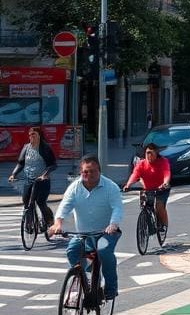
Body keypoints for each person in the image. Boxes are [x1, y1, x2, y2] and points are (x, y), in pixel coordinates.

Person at [48, 155, 123, 300]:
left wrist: (113, 224)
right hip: (83, 234)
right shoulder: (75, 187)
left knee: (103, 251)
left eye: (93, 171)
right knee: (72, 251)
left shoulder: (110, 187)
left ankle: (110, 288)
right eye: (85, 172)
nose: (89, 175)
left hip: (106, 232)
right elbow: (65, 206)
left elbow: (117, 208)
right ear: (81, 173)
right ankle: (84, 278)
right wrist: (58, 223)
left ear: (99, 171)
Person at [7, 126, 57, 227]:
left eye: (34, 134)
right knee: (27, 201)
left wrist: (44, 175)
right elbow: (20, 163)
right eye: (30, 135)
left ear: (39, 135)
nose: (31, 137)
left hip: (42, 181)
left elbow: (53, 165)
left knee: (40, 202)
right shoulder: (26, 147)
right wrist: (13, 174)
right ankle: (29, 223)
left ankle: (49, 220)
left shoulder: (45, 148)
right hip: (29, 179)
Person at [123, 142, 171, 233]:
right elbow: (135, 175)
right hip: (147, 188)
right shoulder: (141, 163)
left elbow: (166, 173)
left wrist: (165, 183)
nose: (149, 156)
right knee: (145, 206)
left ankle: (163, 224)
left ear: (156, 154)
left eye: (151, 153)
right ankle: (148, 225)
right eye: (147, 153)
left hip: (161, 189)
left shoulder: (163, 161)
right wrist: (128, 185)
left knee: (159, 206)